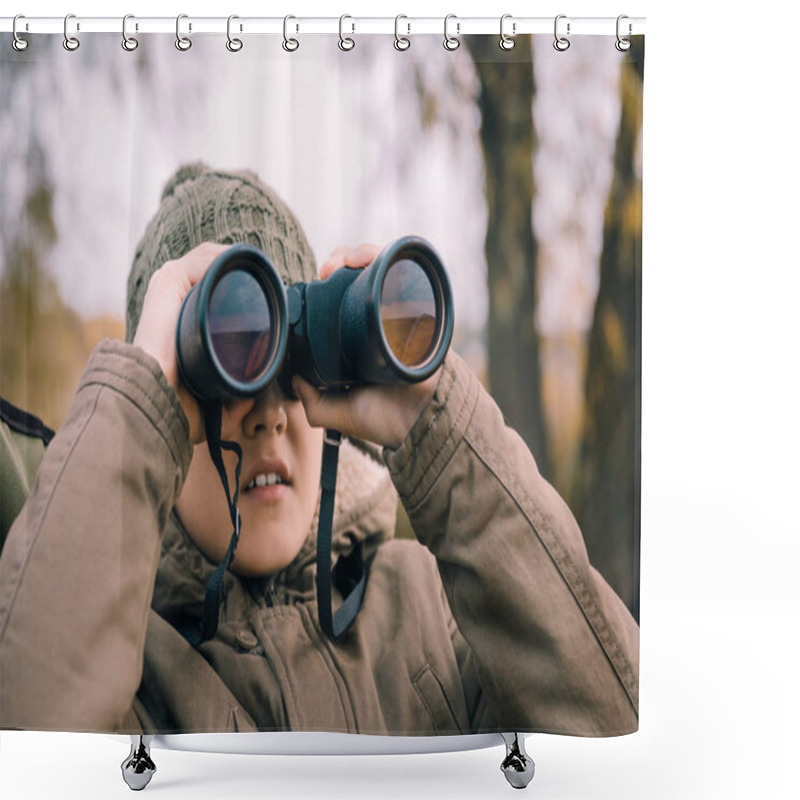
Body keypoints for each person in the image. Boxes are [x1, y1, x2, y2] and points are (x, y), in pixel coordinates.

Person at [0, 163, 638, 736]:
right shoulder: (125, 657)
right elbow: (34, 742)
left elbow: (617, 738)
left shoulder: (433, 607)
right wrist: (139, 400)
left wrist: (443, 437)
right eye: (231, 366)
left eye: (291, 359)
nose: (270, 416)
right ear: (172, 413)